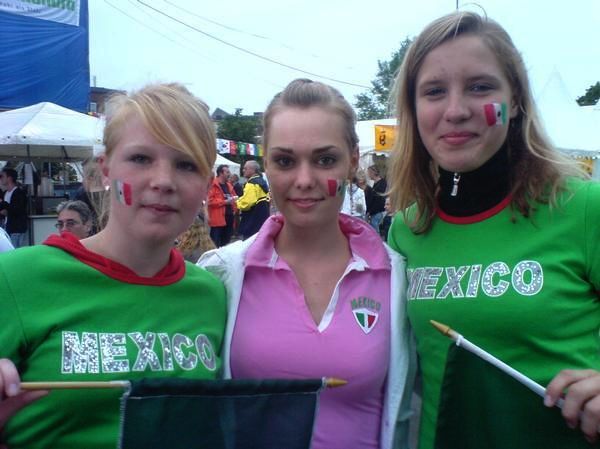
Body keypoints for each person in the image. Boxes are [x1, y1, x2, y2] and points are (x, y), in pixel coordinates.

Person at [386, 11, 600, 449]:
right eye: (434, 91)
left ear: (515, 99)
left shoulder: (582, 208)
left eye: (480, 87)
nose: (456, 110)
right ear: (414, 108)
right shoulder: (406, 230)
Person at [0, 83, 227, 449]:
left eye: (187, 165)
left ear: (206, 185)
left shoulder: (212, 294)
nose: (163, 181)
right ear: (105, 171)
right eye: (141, 158)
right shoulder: (16, 277)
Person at [199, 79, 414, 449]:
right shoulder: (223, 273)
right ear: (266, 164)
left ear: (352, 160)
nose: (304, 180)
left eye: (324, 160)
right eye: (285, 161)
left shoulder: (396, 276)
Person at [236, 160, 270, 239]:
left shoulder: (252, 183)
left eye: (245, 168)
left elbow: (246, 204)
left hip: (251, 223)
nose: (243, 170)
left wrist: (237, 202)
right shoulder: (262, 182)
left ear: (253, 170)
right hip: (262, 221)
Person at [207, 164, 238, 247]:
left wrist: (235, 208)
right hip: (217, 220)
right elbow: (209, 201)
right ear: (221, 173)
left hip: (229, 218)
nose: (229, 174)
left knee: (226, 244)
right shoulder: (213, 185)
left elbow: (234, 197)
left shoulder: (229, 185)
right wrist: (225, 202)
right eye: (227, 172)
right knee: (215, 244)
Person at [0, 167, 28, 248]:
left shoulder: (19, 193)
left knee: (16, 251)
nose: (0, 178)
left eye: (2, 176)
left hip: (17, 229)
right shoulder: (5, 193)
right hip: (8, 227)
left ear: (9, 178)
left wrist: (4, 204)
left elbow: (17, 210)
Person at [366, 164, 387, 231]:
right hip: (374, 211)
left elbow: (378, 199)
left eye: (369, 173)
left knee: (375, 230)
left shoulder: (381, 184)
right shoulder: (375, 184)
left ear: (373, 173)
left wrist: (370, 211)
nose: (368, 175)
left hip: (377, 211)